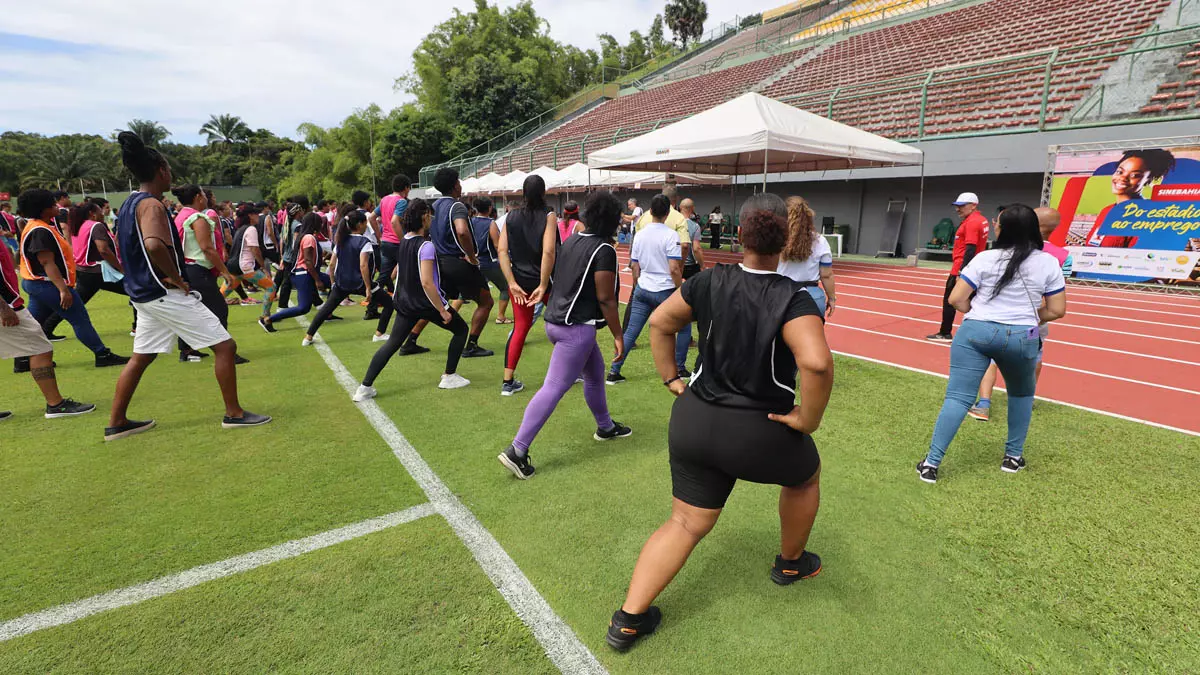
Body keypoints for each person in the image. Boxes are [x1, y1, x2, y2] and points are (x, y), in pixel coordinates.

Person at [606, 193, 833, 652]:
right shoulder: (794, 297)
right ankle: (790, 563)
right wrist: (807, 420)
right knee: (805, 479)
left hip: (694, 420)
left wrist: (671, 377)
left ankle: (628, 619)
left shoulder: (708, 281)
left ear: (738, 235)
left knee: (685, 523)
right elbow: (818, 365)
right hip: (758, 429)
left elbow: (660, 322)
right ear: (787, 241)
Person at [106, 132, 269, 441]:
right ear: (161, 171)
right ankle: (234, 414)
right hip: (162, 293)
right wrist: (176, 277)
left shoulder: (128, 204)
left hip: (142, 293)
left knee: (142, 356)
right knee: (225, 346)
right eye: (168, 168)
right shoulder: (152, 205)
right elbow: (154, 244)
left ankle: (117, 422)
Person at [916, 204, 1068, 484]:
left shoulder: (985, 259)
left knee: (957, 398)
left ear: (1003, 229)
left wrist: (979, 313)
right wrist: (1029, 317)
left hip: (976, 332)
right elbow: (1057, 310)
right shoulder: (1048, 262)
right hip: (1023, 335)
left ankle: (931, 464)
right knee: (1021, 396)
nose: (994, 226)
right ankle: (1012, 458)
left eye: (997, 223)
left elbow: (956, 299)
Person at [497, 190, 632, 478]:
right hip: (576, 330)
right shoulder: (603, 250)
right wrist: (619, 335)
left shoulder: (572, 240)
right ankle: (517, 450)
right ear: (611, 219)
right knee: (554, 387)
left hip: (556, 322)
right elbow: (607, 299)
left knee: (595, 373)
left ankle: (605, 427)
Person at [353, 199, 471, 400]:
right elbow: (427, 282)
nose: (431, 219)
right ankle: (449, 376)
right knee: (461, 330)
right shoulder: (426, 246)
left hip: (406, 304)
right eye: (430, 215)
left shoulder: (405, 241)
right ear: (425, 217)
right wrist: (442, 310)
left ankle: (364, 387)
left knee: (392, 344)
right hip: (425, 303)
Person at [968, 207, 1073, 422]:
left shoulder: (1010, 251)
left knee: (991, 360)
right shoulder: (1063, 256)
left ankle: (984, 404)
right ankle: (1026, 399)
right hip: (1036, 321)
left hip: (998, 317)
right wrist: (1037, 315)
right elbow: (1058, 298)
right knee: (1034, 358)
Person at [15, 189, 128, 370]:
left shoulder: (36, 226)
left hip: (36, 283)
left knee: (34, 323)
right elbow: (46, 262)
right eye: (52, 204)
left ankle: (22, 360)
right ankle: (102, 354)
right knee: (79, 319)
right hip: (47, 283)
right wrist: (63, 289)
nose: (57, 207)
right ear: (43, 209)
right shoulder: (40, 230)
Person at [0, 227, 95, 420]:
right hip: (7, 303)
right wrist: (4, 306)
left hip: (9, 300)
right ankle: (56, 405)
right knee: (40, 348)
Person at [406, 167, 493, 359]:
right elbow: (462, 231)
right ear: (455, 185)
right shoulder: (457, 206)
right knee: (486, 301)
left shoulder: (433, 207)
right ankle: (471, 345)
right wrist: (471, 256)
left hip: (439, 261)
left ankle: (411, 339)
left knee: (438, 303)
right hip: (458, 262)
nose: (460, 185)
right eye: (459, 182)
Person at [607, 194, 690, 384]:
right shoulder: (671, 235)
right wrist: (679, 289)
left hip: (643, 287)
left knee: (630, 333)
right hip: (666, 289)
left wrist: (637, 285)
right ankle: (680, 368)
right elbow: (674, 268)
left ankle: (613, 372)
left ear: (650, 211)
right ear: (668, 213)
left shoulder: (641, 233)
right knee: (684, 327)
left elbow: (635, 265)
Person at [171, 185, 249, 365]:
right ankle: (227, 352)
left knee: (193, 310)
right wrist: (224, 271)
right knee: (219, 309)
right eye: (204, 195)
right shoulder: (197, 218)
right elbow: (207, 248)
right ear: (199, 197)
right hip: (197, 269)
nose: (207, 198)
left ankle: (187, 350)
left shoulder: (181, 215)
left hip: (188, 268)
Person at [39, 201, 137, 341]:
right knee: (137, 290)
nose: (102, 213)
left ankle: (46, 328)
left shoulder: (79, 226)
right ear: (92, 213)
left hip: (84, 271)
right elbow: (103, 249)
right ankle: (137, 327)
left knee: (73, 302)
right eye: (100, 210)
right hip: (99, 272)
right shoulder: (95, 226)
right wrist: (120, 268)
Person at [498, 174, 558, 396]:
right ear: (543, 192)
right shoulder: (548, 215)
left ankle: (507, 381)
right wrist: (543, 284)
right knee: (563, 326)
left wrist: (511, 282)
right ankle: (572, 371)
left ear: (523, 193)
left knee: (520, 328)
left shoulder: (511, 217)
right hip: (544, 281)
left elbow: (502, 251)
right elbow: (548, 251)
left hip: (520, 282)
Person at [302, 209, 394, 346]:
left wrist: (333, 282)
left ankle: (308, 337)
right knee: (389, 303)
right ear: (359, 224)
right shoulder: (364, 242)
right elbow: (363, 266)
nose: (366, 227)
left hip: (341, 283)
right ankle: (379, 334)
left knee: (327, 308)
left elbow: (332, 264)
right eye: (365, 224)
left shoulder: (340, 241)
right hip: (360, 283)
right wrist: (368, 288)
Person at [927, 192, 989, 342]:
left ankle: (945, 332)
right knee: (975, 301)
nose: (957, 209)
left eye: (961, 206)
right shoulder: (981, 220)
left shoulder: (972, 222)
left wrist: (962, 272)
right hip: (973, 266)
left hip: (962, 267)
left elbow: (970, 248)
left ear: (973, 206)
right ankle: (979, 332)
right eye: (957, 206)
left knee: (950, 300)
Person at [1084, 149, 1177, 249]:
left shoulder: (1148, 215)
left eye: (1135, 175)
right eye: (1120, 172)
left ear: (1150, 180)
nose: (1123, 178)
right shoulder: (1106, 211)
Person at [258, 212, 329, 333]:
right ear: (315, 224)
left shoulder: (305, 236)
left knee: (337, 283)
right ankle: (268, 320)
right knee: (303, 308)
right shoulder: (309, 238)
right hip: (304, 274)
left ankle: (328, 312)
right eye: (320, 223)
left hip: (304, 273)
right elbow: (307, 260)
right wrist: (317, 280)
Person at [776, 196, 837, 317]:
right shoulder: (821, 241)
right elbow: (826, 275)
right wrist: (832, 298)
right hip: (812, 297)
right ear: (808, 217)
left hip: (782, 294)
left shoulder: (777, 238)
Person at [366, 174, 410, 323]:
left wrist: (379, 236)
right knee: (408, 273)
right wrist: (403, 241)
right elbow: (394, 221)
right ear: (406, 188)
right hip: (397, 243)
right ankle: (407, 305)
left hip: (385, 242)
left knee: (384, 277)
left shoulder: (385, 199)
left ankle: (371, 308)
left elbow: (372, 217)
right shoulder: (401, 201)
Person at [261, 197, 308, 316]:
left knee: (280, 281)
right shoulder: (297, 225)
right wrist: (297, 257)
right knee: (287, 282)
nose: (303, 212)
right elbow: (295, 244)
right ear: (298, 212)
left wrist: (282, 256)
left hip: (286, 256)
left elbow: (282, 241)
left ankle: (271, 306)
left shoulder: (288, 223)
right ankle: (282, 305)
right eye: (301, 210)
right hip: (292, 257)